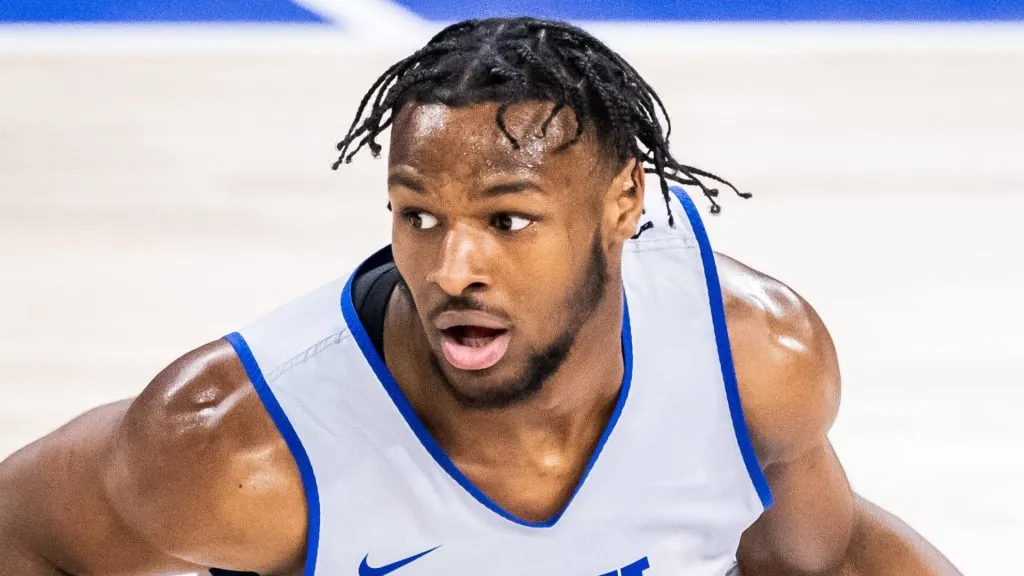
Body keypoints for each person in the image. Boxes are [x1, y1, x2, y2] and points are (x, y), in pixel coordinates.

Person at [0, 17, 962, 576]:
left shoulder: (752, 360)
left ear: (625, 202)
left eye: (506, 221)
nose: (451, 268)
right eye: (417, 215)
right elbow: (25, 534)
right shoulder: (242, 445)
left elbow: (829, 562)